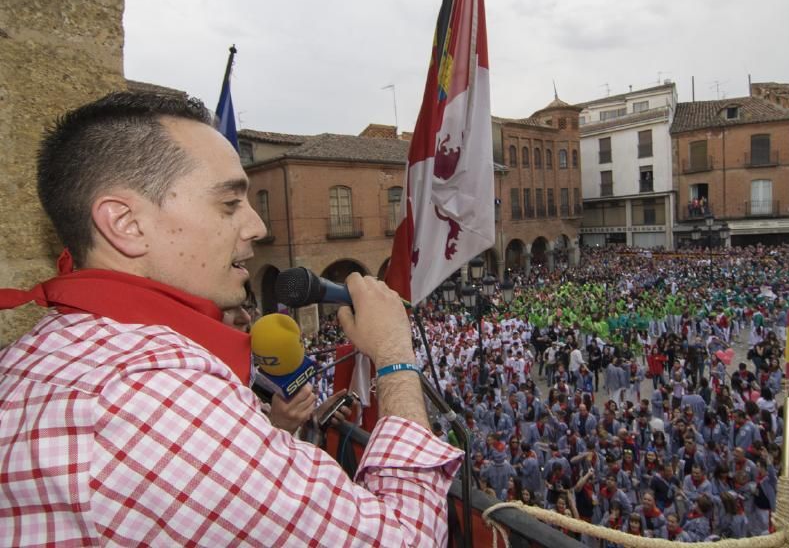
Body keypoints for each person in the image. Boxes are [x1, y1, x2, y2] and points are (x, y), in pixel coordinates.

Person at [0, 91, 462, 545]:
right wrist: (396, 358)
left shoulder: (41, 351)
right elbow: (405, 539)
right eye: (228, 204)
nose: (257, 227)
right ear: (126, 223)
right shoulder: (151, 391)